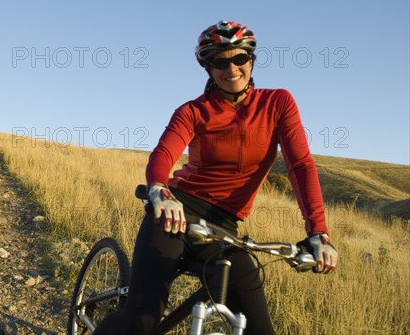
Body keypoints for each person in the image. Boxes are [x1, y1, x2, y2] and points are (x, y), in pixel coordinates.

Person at [92, 20, 338, 335]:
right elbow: (163, 155)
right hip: (174, 215)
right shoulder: (193, 111)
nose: (232, 68)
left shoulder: (278, 103)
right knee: (141, 321)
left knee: (259, 330)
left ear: (252, 60)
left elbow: (300, 165)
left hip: (225, 227)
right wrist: (160, 191)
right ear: (208, 67)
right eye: (221, 61)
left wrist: (318, 233)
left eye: (240, 58)